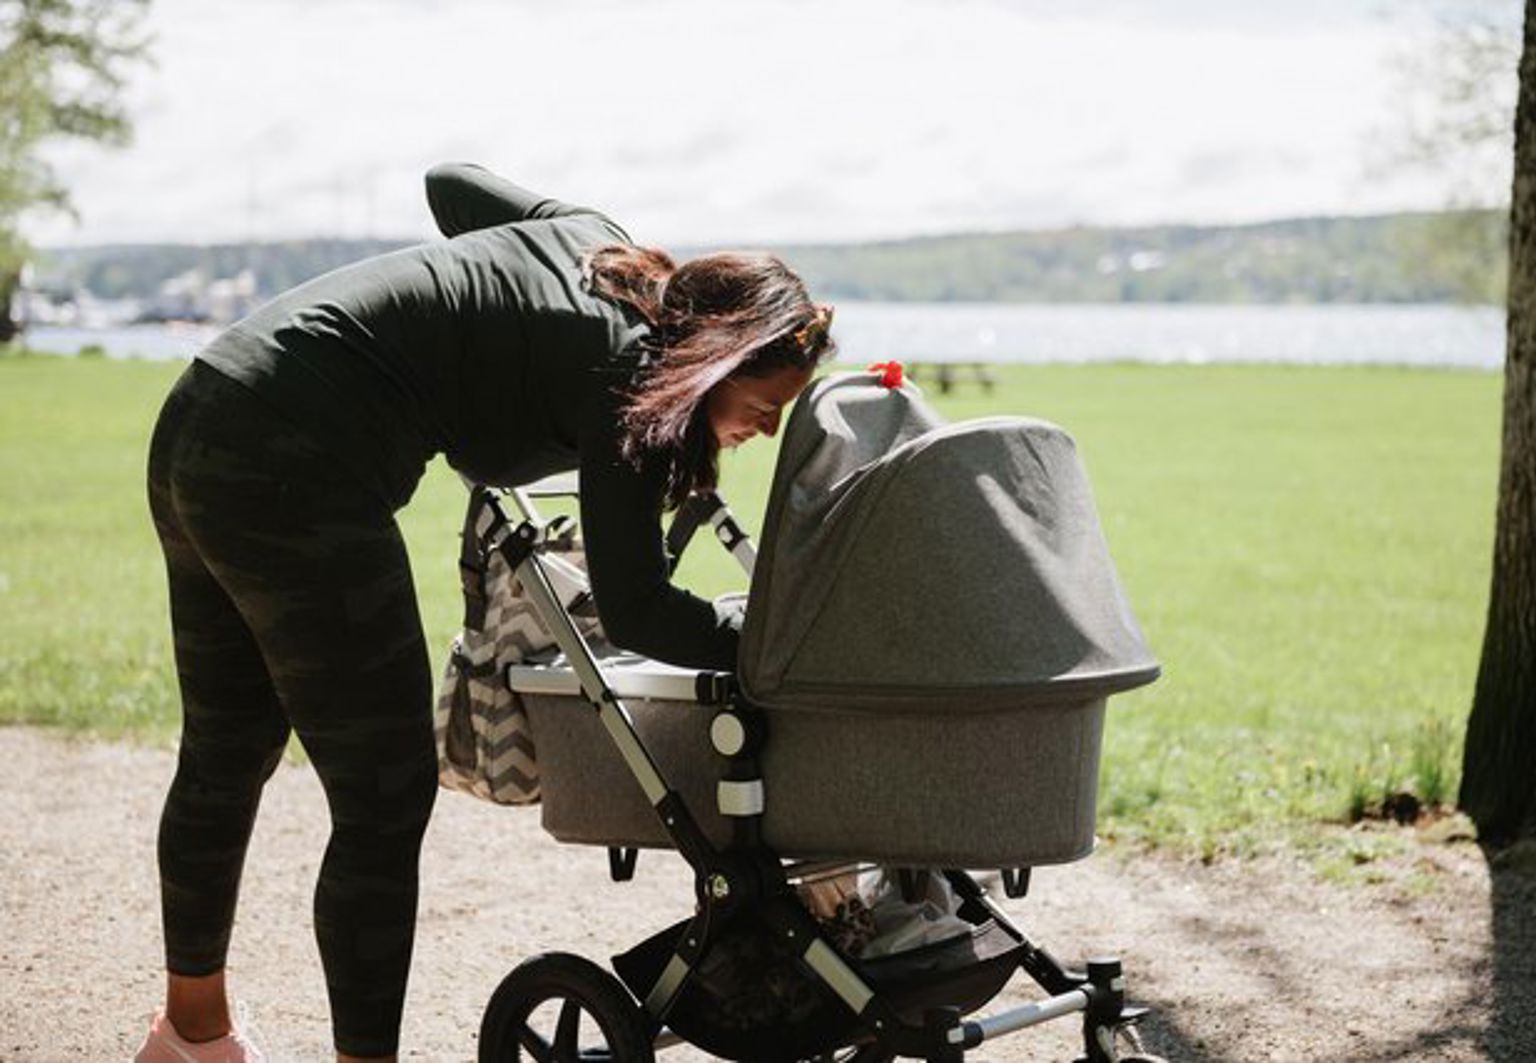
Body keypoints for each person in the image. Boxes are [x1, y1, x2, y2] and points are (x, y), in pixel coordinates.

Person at [135, 162, 835, 1063]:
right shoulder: (630, 371)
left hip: (209, 401)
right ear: (717, 358)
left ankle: (190, 1035)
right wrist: (770, 642)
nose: (767, 432)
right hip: (300, 460)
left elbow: (449, 183)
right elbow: (637, 610)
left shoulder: (591, 235)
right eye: (765, 406)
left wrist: (468, 326)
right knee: (385, 794)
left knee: (228, 745)